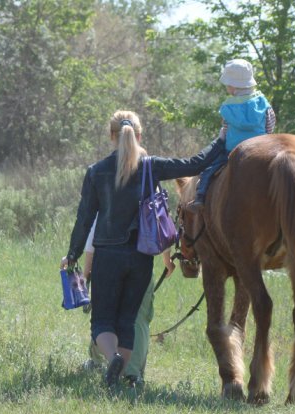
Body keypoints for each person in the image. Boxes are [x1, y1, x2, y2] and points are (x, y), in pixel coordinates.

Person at [60, 110, 225, 388]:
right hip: (140, 257)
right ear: (139, 135)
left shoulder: (96, 172)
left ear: (112, 136)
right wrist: (221, 139)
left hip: (107, 257)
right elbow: (196, 163)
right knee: (127, 320)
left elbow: (84, 219)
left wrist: (73, 253)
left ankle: (111, 357)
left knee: (102, 321)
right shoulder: (152, 166)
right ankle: (122, 379)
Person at [82, 216, 175, 386]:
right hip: (142, 265)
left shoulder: (109, 192)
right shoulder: (149, 192)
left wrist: (86, 273)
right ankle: (132, 375)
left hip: (108, 262)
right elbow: (163, 223)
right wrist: (167, 260)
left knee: (104, 316)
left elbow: (93, 237)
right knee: (138, 318)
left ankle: (98, 362)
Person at [188, 58, 276, 211]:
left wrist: (221, 140)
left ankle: (200, 197)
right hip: (262, 148)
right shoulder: (264, 104)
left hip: (232, 151)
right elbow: (270, 126)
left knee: (209, 169)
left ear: (233, 87)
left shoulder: (229, 107)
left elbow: (225, 130)